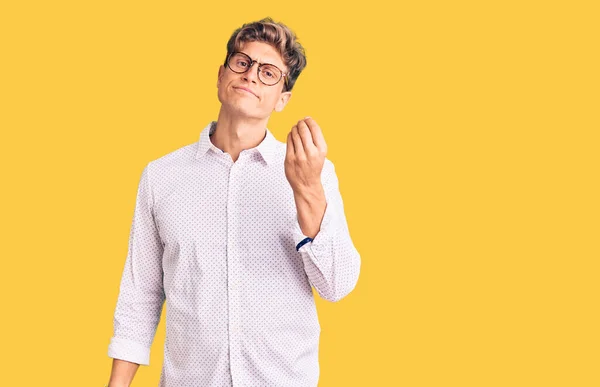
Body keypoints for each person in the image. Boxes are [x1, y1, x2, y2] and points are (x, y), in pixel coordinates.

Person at [106, 16, 361, 387]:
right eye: (242, 62)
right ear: (221, 75)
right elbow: (139, 296)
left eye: (269, 72)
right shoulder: (161, 177)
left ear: (282, 99)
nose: (252, 74)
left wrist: (307, 189)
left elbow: (336, 285)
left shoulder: (314, 173)